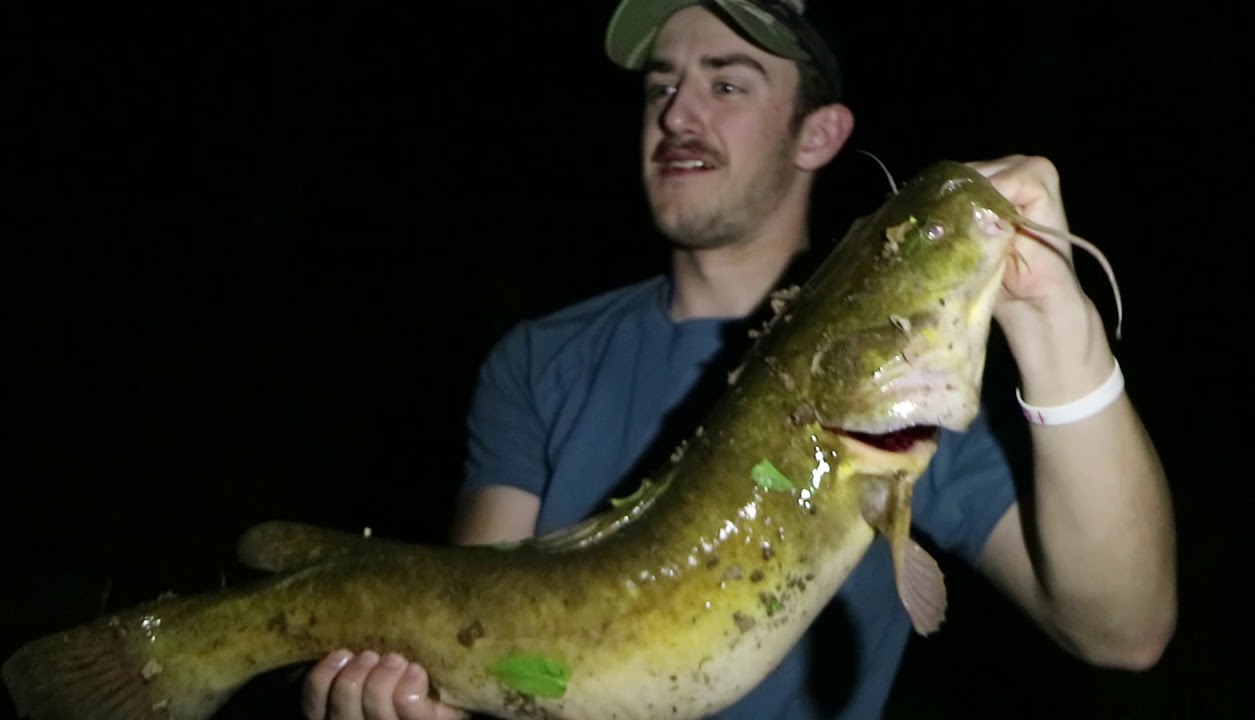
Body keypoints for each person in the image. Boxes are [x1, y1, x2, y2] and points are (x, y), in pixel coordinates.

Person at [299, 1, 1177, 718]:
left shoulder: (899, 390)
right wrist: (412, 703)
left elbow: (1124, 630)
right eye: (662, 86)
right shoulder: (538, 360)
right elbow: (492, 635)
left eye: (727, 82)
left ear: (818, 134)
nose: (678, 113)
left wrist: (1061, 327)